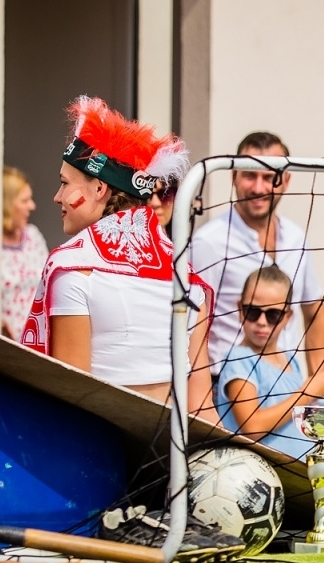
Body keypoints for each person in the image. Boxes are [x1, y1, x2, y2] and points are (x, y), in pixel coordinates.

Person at [21, 95, 211, 410]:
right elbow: (202, 408)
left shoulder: (73, 268)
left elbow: (70, 400)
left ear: (99, 189)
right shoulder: (188, 278)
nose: (57, 197)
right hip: (174, 453)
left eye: (64, 183)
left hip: (106, 451)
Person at [190, 131, 324, 385]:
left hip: (288, 383)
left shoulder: (295, 237)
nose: (258, 187)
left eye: (269, 177)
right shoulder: (209, 241)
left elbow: (316, 311)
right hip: (229, 384)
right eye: (249, 175)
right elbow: (190, 326)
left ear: (286, 180)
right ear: (234, 176)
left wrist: (316, 384)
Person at [219, 266, 324, 459]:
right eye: (253, 312)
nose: (262, 322)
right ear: (240, 309)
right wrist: (307, 394)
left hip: (301, 478)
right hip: (261, 475)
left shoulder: (291, 360)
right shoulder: (239, 359)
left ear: (288, 317)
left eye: (273, 314)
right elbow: (252, 426)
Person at [0, 165, 48, 340]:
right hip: (8, 344)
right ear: (7, 203)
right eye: (24, 200)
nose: (32, 206)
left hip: (40, 339)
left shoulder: (33, 237)